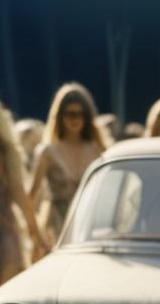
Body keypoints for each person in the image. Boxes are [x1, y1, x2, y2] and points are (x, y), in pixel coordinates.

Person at [0, 94, 54, 293]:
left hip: (3, 228)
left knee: (6, 285)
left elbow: (19, 194)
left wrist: (37, 235)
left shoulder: (4, 153)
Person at [30, 82, 109, 243]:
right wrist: (37, 235)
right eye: (69, 113)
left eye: (81, 114)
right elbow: (30, 198)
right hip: (55, 231)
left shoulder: (98, 150)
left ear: (88, 117)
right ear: (59, 115)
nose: (75, 119)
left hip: (91, 229)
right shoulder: (47, 152)